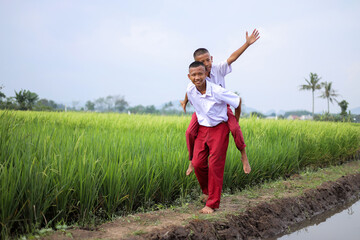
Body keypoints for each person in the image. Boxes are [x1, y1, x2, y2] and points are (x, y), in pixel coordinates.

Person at [182, 29, 259, 176]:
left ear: (211, 58)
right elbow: (189, 89)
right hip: (203, 110)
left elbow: (232, 58)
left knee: (235, 129)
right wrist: (185, 102)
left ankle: (243, 155)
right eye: (202, 62)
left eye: (208, 60)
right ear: (197, 65)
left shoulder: (218, 69)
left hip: (222, 108)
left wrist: (247, 44)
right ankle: (192, 161)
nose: (206, 63)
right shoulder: (198, 77)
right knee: (189, 132)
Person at [186, 61, 245, 214]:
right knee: (198, 163)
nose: (197, 77)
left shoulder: (217, 91)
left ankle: (212, 204)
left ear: (206, 74)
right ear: (189, 76)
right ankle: (207, 192)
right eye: (194, 75)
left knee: (215, 166)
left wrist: (235, 120)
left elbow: (237, 101)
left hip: (219, 128)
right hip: (203, 128)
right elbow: (195, 105)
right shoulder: (190, 90)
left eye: (200, 73)